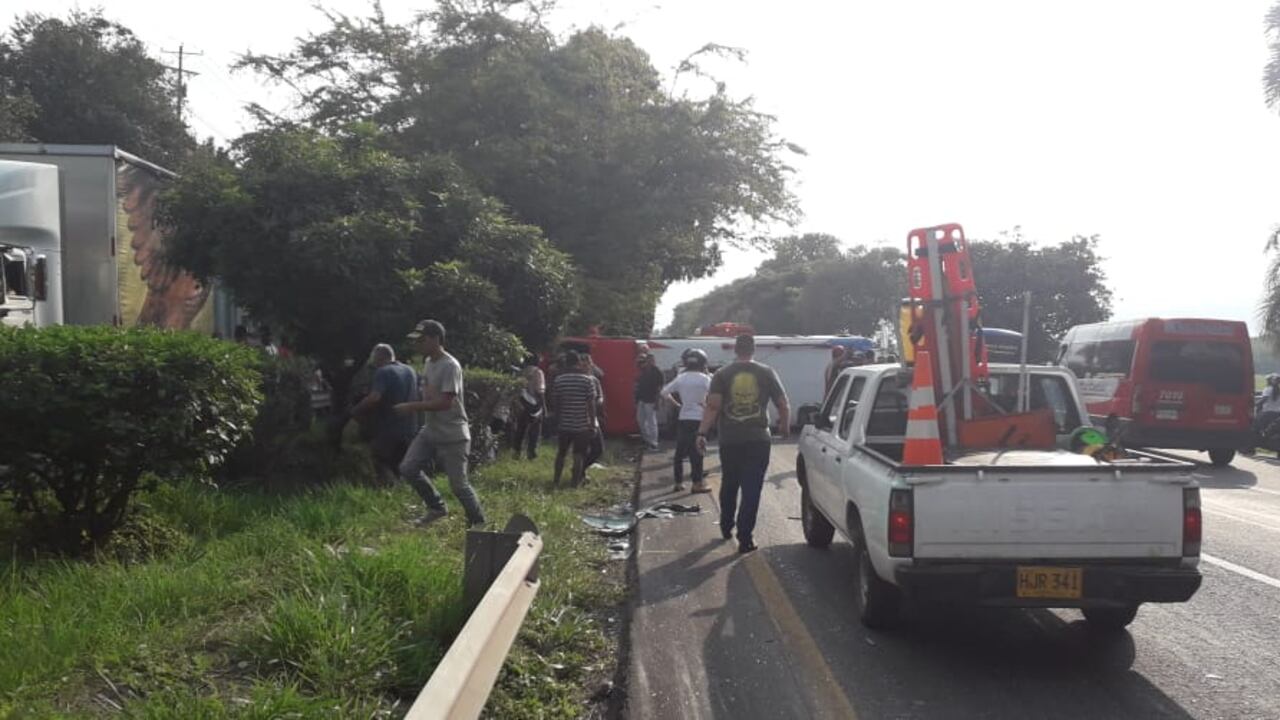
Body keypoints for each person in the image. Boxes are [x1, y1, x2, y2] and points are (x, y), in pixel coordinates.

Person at [697, 334, 789, 554]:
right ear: (753, 349)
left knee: (730, 482)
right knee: (752, 487)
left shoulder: (722, 374)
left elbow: (713, 407)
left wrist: (701, 433)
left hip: (730, 439)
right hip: (759, 439)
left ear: (735, 350)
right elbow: (783, 404)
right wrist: (784, 427)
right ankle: (745, 537)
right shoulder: (767, 372)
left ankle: (726, 525)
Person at [393, 319, 486, 527]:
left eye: (422, 340)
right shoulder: (428, 362)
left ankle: (478, 523)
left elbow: (445, 403)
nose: (417, 345)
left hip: (453, 433)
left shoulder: (450, 365)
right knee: (408, 468)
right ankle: (436, 507)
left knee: (459, 486)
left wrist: (411, 407)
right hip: (431, 430)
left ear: (436, 339)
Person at [351, 344, 418, 486]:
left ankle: (389, 490)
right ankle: (403, 491)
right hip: (409, 429)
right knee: (401, 466)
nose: (374, 365)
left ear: (379, 358)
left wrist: (356, 410)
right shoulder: (410, 370)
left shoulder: (383, 372)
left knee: (379, 460)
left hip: (388, 429)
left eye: (374, 361)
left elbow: (374, 397)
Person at [662, 349, 712, 493]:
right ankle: (697, 484)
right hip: (699, 418)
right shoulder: (705, 379)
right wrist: (705, 405)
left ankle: (678, 483)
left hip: (683, 418)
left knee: (680, 451)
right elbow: (715, 394)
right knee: (698, 451)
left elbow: (664, 392)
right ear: (702, 362)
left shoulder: (681, 378)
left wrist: (678, 404)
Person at [552, 350, 598, 487]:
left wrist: (557, 420)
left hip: (564, 423)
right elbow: (591, 404)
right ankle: (574, 483)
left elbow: (556, 403)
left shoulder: (559, 380)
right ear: (578, 362)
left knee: (561, 453)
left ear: (566, 363)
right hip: (582, 424)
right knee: (579, 454)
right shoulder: (587, 380)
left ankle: (556, 480)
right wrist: (592, 423)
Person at [512, 354, 546, 460]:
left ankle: (517, 452)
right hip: (534, 404)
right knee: (535, 429)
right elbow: (540, 391)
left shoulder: (521, 372)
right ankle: (531, 453)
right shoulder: (538, 372)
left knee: (521, 428)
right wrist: (544, 406)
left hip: (521, 403)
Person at [635, 352, 664, 450]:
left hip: (651, 400)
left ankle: (654, 442)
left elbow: (659, 388)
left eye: (652, 360)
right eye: (648, 360)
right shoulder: (644, 370)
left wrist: (657, 401)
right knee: (640, 420)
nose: (650, 362)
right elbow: (637, 364)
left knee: (651, 421)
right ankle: (647, 439)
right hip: (642, 399)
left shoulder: (657, 372)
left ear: (654, 361)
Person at [584, 354, 607, 469]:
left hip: (593, 416)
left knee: (598, 448)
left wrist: (597, 403)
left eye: (588, 362)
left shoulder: (594, 379)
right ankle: (580, 471)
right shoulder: (577, 379)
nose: (586, 365)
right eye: (583, 363)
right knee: (583, 448)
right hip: (580, 418)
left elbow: (600, 396)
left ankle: (581, 468)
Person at [1256, 374, 1280, 444]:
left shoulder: (1268, 389)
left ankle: (1259, 440)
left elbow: (1264, 400)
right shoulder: (1278, 390)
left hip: (1267, 412)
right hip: (1277, 412)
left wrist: (1255, 404)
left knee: (1256, 425)